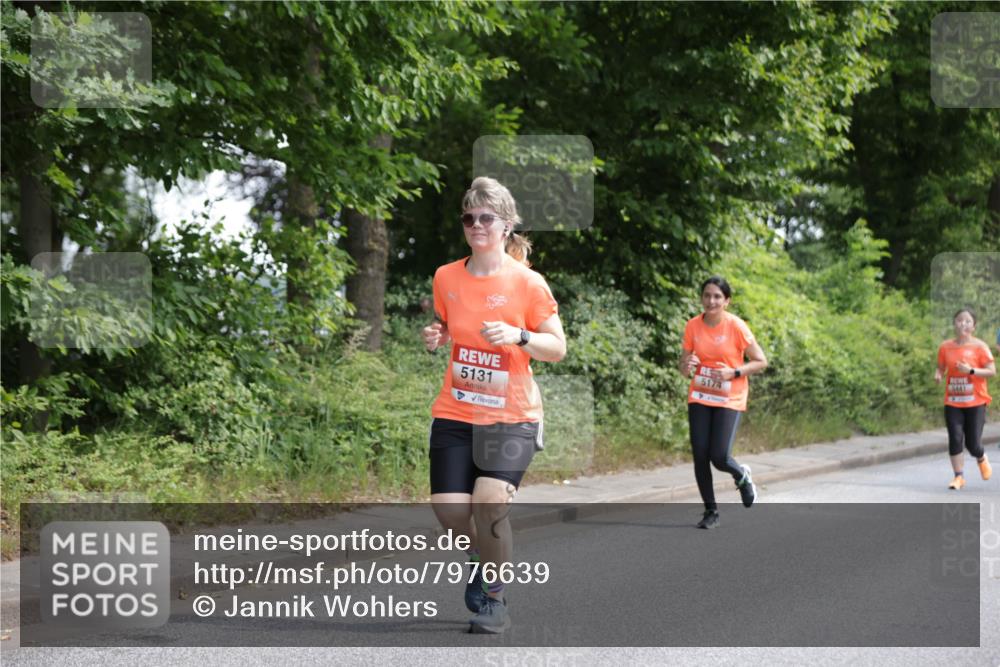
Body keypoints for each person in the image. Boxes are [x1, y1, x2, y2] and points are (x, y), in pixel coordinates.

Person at [421, 176, 566, 633]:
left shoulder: (527, 283)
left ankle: (495, 600)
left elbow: (557, 347)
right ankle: (480, 559)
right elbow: (449, 324)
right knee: (449, 510)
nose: (476, 225)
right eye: (469, 217)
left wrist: (521, 336)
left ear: (506, 225)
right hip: (457, 409)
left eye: (486, 217)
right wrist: (437, 334)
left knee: (488, 504)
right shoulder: (446, 276)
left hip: (512, 414)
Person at [679, 277, 768, 529]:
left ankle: (741, 475)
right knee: (699, 454)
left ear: (726, 301)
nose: (711, 301)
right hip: (701, 394)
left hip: (730, 396)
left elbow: (761, 361)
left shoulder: (736, 326)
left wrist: (734, 372)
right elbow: (683, 367)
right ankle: (711, 512)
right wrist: (687, 365)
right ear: (701, 298)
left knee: (719, 456)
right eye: (707, 295)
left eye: (718, 296)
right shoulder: (693, 326)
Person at [935, 309, 995, 489]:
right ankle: (958, 477)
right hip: (953, 401)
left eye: (968, 321)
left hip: (975, 402)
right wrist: (938, 375)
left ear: (974, 326)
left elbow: (992, 371)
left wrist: (971, 370)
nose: (963, 324)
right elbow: (940, 367)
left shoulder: (980, 347)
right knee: (954, 437)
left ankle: (981, 456)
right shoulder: (945, 347)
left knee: (973, 444)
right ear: (954, 324)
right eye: (960, 320)